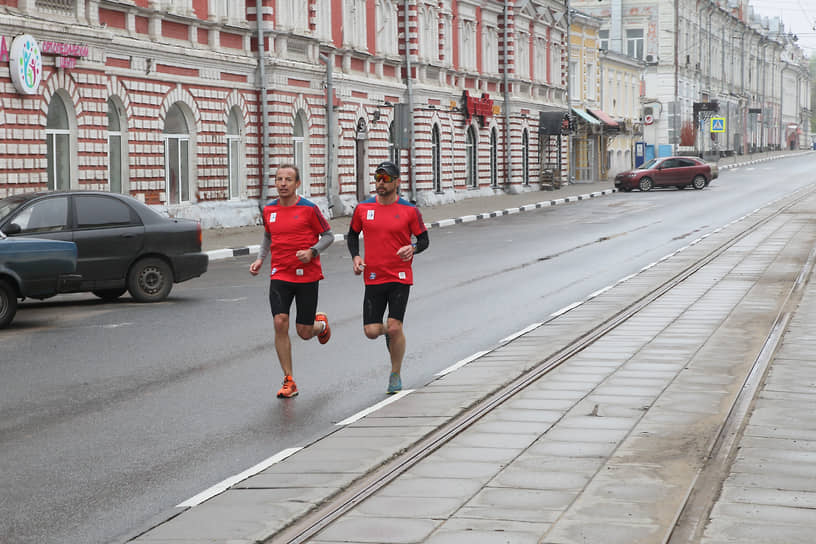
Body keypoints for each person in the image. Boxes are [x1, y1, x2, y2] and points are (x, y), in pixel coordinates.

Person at [250, 164, 334, 398]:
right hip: (280, 274)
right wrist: (259, 260)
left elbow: (328, 235)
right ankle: (289, 380)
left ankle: (321, 326)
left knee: (304, 332)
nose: (283, 184)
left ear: (297, 184)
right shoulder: (269, 210)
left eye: (288, 179)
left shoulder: (309, 209)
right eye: (279, 179)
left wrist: (312, 252)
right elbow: (268, 235)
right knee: (280, 322)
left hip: (307, 276)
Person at [347, 160, 429, 394]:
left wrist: (412, 248)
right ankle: (392, 333)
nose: (380, 183)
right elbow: (352, 235)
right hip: (373, 276)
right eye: (378, 178)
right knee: (371, 332)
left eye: (386, 179)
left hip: (400, 276)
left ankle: (395, 373)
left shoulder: (409, 210)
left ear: (397, 182)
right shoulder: (363, 209)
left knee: (394, 327)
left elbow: (424, 240)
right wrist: (355, 257)